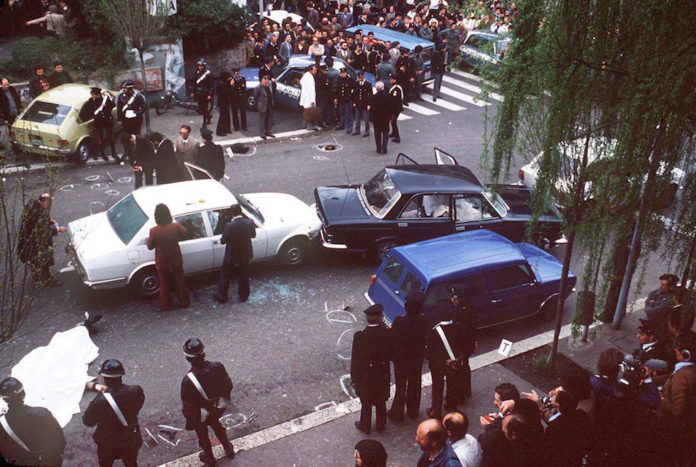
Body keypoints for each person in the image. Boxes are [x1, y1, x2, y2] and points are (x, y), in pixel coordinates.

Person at [180, 338, 235, 465]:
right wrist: (221, 405)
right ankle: (228, 448)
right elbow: (227, 385)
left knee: (203, 434)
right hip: (217, 407)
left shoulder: (188, 381)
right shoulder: (218, 366)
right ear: (203, 353)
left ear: (188, 358)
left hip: (201, 413)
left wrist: (195, 418)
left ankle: (209, 457)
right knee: (217, 425)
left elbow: (188, 406)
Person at [82, 359, 145, 467]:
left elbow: (88, 422)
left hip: (108, 442)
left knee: (105, 463)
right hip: (130, 439)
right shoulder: (136, 391)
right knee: (131, 462)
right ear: (121, 375)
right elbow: (139, 404)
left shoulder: (99, 402)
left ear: (103, 378)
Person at [0, 377, 65, 466]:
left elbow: (5, 451)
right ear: (23, 393)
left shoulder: (2, 424)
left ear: (4, 399)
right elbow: (60, 442)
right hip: (50, 461)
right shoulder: (42, 413)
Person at [388, 291, 430, 422]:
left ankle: (397, 413)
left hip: (401, 359)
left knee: (401, 386)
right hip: (416, 359)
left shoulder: (399, 321)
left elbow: (392, 340)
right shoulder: (424, 321)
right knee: (414, 384)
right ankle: (413, 410)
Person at [351, 304, 392, 434]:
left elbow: (355, 360)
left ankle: (365, 425)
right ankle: (381, 423)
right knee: (380, 400)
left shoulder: (360, 336)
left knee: (366, 401)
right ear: (379, 318)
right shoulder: (386, 334)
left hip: (366, 374)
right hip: (381, 372)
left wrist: (354, 378)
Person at [657, 334, 696, 466]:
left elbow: (677, 409)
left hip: (673, 426)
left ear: (686, 354)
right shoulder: (689, 370)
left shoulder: (682, 376)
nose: (675, 351)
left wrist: (661, 397)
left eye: (678, 350)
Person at [426, 301, 466, 420]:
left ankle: (436, 412)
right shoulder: (459, 327)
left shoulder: (434, 331)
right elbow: (462, 346)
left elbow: (430, 352)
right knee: (452, 386)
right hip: (454, 363)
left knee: (437, 388)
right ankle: (451, 407)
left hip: (438, 365)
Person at [146, 203, 190, 311]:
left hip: (162, 260)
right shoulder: (175, 226)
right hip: (175, 257)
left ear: (156, 216)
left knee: (164, 283)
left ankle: (166, 305)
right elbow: (185, 232)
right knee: (180, 280)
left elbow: (150, 247)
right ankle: (184, 301)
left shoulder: (153, 231)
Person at [17, 193, 66, 286]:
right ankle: (47, 280)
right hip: (36, 244)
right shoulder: (40, 214)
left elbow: (34, 220)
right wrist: (58, 229)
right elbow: (43, 232)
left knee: (35, 262)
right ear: (45, 202)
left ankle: (37, 277)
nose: (50, 205)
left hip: (27, 241)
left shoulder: (32, 204)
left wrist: (48, 220)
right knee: (43, 261)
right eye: (49, 203)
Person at [214, 204, 256, 303]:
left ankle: (222, 296)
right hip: (245, 253)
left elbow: (223, 241)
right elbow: (253, 235)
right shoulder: (249, 222)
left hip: (232, 254)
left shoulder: (229, 226)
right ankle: (243, 296)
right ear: (241, 212)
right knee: (244, 274)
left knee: (225, 274)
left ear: (231, 214)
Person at [79, 87, 117, 162]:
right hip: (98, 122)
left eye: (93, 94)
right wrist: (93, 115)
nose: (92, 96)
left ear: (98, 94)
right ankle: (103, 154)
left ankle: (114, 152)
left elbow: (113, 105)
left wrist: (107, 112)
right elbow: (86, 111)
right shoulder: (91, 101)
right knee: (100, 139)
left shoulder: (106, 99)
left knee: (111, 137)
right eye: (92, 94)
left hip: (107, 120)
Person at [117, 80, 147, 162]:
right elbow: (119, 109)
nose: (123, 89)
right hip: (126, 121)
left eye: (125, 88)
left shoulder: (138, 96)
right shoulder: (121, 96)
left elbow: (144, 106)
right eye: (123, 88)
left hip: (135, 120)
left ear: (129, 89)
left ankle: (137, 152)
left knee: (136, 137)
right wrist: (119, 119)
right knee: (125, 137)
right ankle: (126, 152)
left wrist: (138, 114)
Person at [191, 58, 213, 127]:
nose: (200, 67)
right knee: (200, 108)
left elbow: (211, 85)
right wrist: (192, 92)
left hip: (205, 93)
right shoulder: (196, 73)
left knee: (205, 108)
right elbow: (194, 83)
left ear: (204, 66)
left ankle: (204, 123)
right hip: (199, 93)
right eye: (199, 66)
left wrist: (210, 94)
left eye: (202, 66)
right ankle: (208, 116)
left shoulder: (208, 74)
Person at [369, 81, 390, 154]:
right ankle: (384, 148)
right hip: (385, 117)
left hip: (377, 118)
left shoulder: (374, 97)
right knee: (385, 133)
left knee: (377, 134)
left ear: (376, 89)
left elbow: (372, 109)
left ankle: (378, 148)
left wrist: (370, 119)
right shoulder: (387, 95)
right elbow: (390, 106)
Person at [300, 64, 321, 131]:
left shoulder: (305, 75)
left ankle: (304, 125)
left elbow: (301, 82)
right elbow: (311, 90)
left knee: (305, 112)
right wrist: (312, 100)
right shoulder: (310, 78)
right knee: (311, 113)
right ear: (310, 70)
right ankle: (310, 126)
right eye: (314, 70)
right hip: (309, 98)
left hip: (305, 97)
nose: (316, 71)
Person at [352, 70, 372, 137]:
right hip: (358, 103)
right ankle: (357, 130)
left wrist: (369, 104)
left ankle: (367, 131)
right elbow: (354, 94)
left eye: (361, 77)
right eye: (359, 78)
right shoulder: (356, 83)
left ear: (363, 77)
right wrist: (354, 102)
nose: (360, 79)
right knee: (357, 118)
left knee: (366, 119)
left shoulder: (368, 84)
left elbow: (370, 95)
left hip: (365, 104)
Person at [335, 67, 354, 134]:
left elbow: (353, 90)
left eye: (344, 73)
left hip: (347, 99)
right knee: (341, 113)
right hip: (341, 99)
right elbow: (337, 89)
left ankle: (349, 127)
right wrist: (336, 98)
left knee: (348, 114)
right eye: (342, 73)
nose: (343, 74)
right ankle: (342, 125)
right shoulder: (339, 79)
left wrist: (351, 98)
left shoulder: (350, 80)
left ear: (346, 73)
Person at [229, 68, 247, 132]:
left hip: (241, 98)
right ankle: (236, 127)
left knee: (243, 112)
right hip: (234, 98)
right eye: (234, 73)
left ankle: (244, 126)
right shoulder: (230, 80)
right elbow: (230, 91)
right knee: (235, 113)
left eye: (237, 72)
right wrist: (232, 85)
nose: (236, 74)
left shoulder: (242, 78)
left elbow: (244, 88)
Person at [388, 74, 403, 143]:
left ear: (395, 80)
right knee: (392, 122)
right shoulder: (394, 87)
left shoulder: (396, 89)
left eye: (391, 79)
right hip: (395, 108)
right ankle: (393, 133)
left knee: (393, 122)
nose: (390, 80)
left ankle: (397, 137)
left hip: (395, 109)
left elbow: (394, 100)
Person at [215, 71, 232, 136]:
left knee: (227, 115)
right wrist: (230, 86)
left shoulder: (224, 82)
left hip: (226, 101)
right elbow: (225, 92)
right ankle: (220, 131)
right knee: (222, 116)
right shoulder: (220, 84)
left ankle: (227, 129)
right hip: (222, 101)